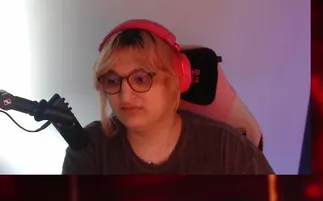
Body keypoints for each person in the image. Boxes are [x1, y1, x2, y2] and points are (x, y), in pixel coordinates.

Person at [62, 20, 272, 175]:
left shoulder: (231, 151)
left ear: (175, 79)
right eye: (113, 80)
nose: (125, 95)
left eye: (141, 78)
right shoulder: (88, 148)